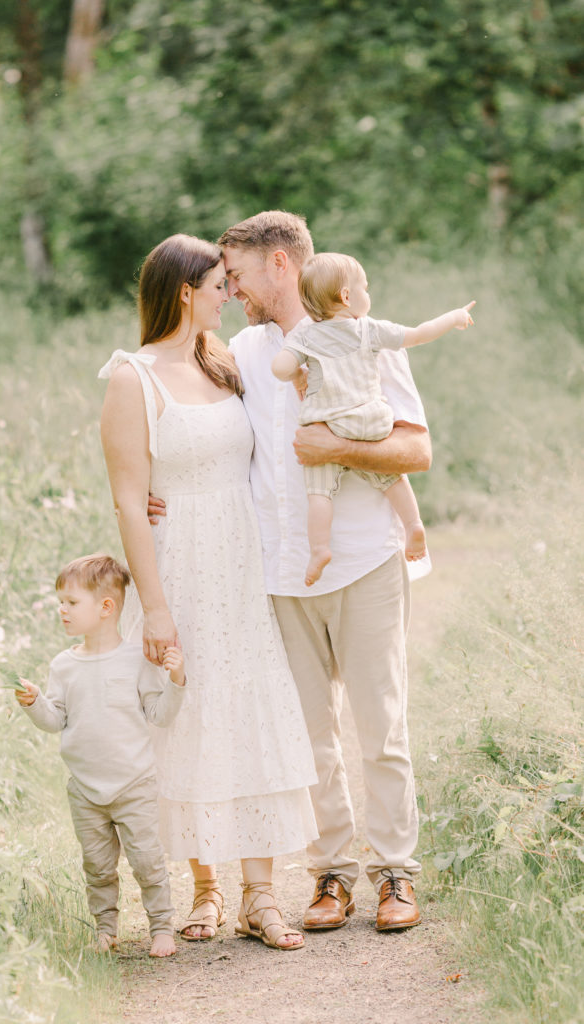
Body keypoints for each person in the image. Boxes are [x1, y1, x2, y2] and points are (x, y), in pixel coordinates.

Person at [211, 210, 430, 932]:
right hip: (279, 574)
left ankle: (395, 875)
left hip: (365, 557)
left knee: (380, 728)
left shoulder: (364, 334)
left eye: (238, 275)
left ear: (280, 265)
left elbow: (413, 452)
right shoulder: (241, 352)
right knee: (309, 737)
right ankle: (331, 874)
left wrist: (332, 448)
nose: (233, 289)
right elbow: (203, 432)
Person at [98, 234, 318, 951]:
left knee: (252, 710)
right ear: (184, 291)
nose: (230, 294)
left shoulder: (225, 362)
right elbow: (132, 502)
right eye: (219, 284)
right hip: (181, 565)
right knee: (188, 719)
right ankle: (206, 888)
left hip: (243, 562)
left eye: (232, 283)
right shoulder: (133, 377)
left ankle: (262, 895)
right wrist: (154, 609)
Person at [15, 553, 185, 958]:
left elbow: (159, 714)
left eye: (71, 602)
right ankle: (105, 929)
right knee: (97, 867)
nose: (62, 609)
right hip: (86, 790)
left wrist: (176, 681)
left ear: (106, 607)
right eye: (62, 601)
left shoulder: (136, 662)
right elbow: (55, 721)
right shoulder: (64, 666)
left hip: (134, 784)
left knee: (147, 862)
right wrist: (35, 702)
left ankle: (162, 927)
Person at [271, 251, 475, 586]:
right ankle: (413, 525)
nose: (369, 295)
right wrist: (452, 317)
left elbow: (280, 369)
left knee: (319, 491)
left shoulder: (305, 336)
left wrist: (295, 369)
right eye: (365, 288)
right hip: (372, 420)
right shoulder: (369, 329)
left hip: (330, 422)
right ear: (347, 296)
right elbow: (419, 334)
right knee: (390, 477)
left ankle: (320, 548)